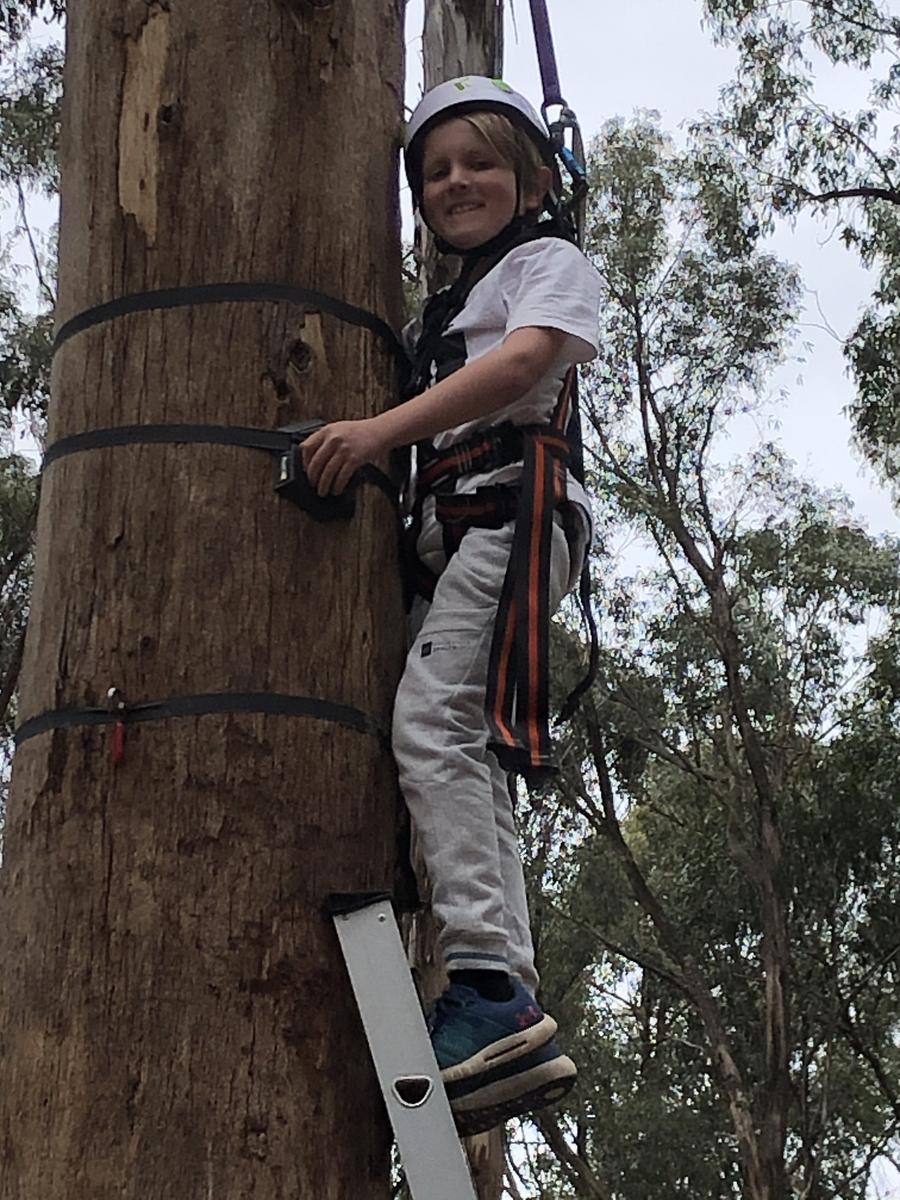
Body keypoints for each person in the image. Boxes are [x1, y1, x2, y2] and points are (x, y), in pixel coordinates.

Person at [302, 76, 601, 1133]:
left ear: (536, 182)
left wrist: (377, 434)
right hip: (461, 535)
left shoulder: (546, 264)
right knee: (461, 746)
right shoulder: (439, 313)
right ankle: (505, 993)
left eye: (481, 163)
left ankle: (482, 982)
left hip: (510, 513)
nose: (457, 182)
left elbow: (525, 363)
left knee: (430, 725)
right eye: (436, 172)